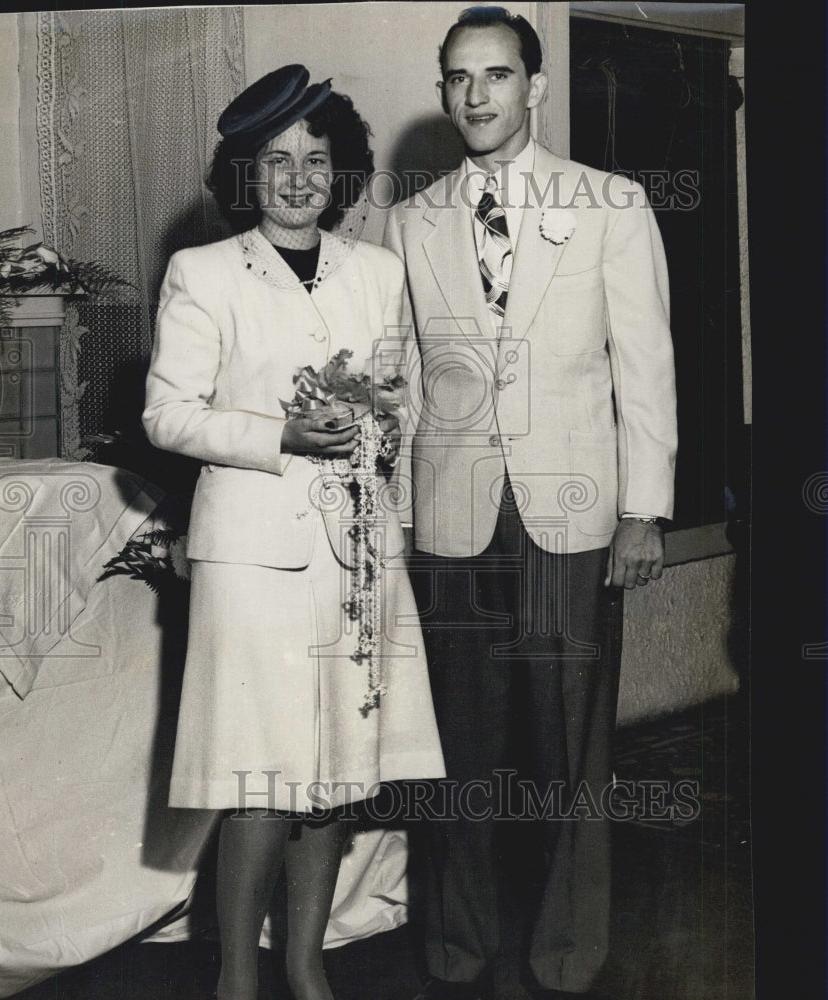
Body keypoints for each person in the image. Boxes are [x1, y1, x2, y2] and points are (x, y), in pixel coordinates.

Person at [384, 7, 677, 1000]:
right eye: (457, 78)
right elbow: (405, 382)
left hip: (572, 513)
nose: (475, 96)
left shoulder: (610, 203)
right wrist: (398, 519)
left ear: (534, 87)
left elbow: (643, 368)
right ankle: (453, 947)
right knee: (453, 750)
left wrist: (642, 510)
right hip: (450, 519)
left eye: (496, 75)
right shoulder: (411, 220)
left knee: (567, 750)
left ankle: (564, 952)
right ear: (443, 91)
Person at [142, 65, 445, 1000]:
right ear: (246, 174)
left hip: (356, 556)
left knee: (337, 772)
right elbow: (167, 415)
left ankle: (307, 968)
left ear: (340, 170)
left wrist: (384, 442)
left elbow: (404, 405)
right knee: (261, 776)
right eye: (276, 160)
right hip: (251, 558)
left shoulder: (377, 271)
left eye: (316, 159)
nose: (298, 177)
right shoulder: (203, 272)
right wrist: (280, 435)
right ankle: (237, 976)